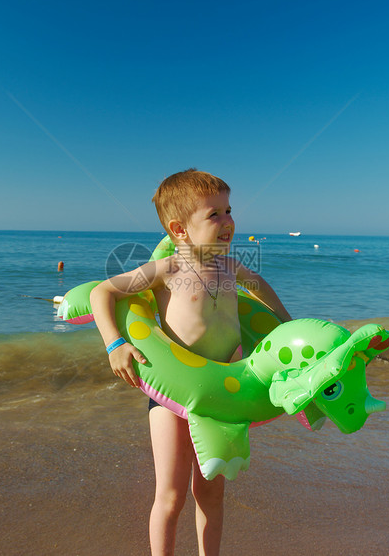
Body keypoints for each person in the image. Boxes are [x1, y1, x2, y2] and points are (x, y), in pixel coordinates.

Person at [90, 169, 292, 556]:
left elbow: (261, 286)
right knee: (170, 495)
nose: (228, 221)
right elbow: (105, 291)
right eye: (213, 214)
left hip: (223, 396)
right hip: (172, 397)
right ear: (179, 229)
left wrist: (287, 323)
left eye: (228, 210)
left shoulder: (232, 268)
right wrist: (114, 343)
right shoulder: (169, 271)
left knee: (211, 494)